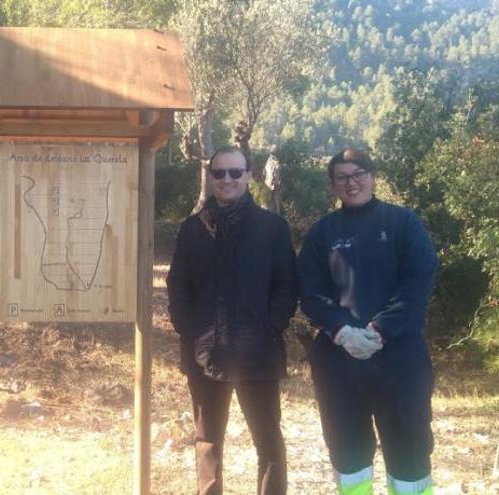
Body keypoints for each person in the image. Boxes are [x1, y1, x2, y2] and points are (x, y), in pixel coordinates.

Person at [298, 148, 438, 495]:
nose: (352, 182)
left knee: (410, 449)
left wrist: (380, 330)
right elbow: (310, 292)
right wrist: (343, 332)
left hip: (400, 359)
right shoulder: (322, 233)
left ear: (373, 177)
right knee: (348, 453)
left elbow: (419, 282)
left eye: (359, 173)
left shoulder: (403, 223)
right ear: (333, 185)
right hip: (339, 361)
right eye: (342, 177)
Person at [167, 146, 298, 495]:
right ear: (210, 178)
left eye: (235, 172)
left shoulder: (273, 228)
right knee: (207, 440)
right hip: (205, 353)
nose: (227, 179)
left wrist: (270, 326)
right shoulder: (193, 228)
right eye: (220, 173)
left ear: (249, 175)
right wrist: (189, 329)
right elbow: (177, 283)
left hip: (258, 352)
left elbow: (287, 284)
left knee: (268, 441)